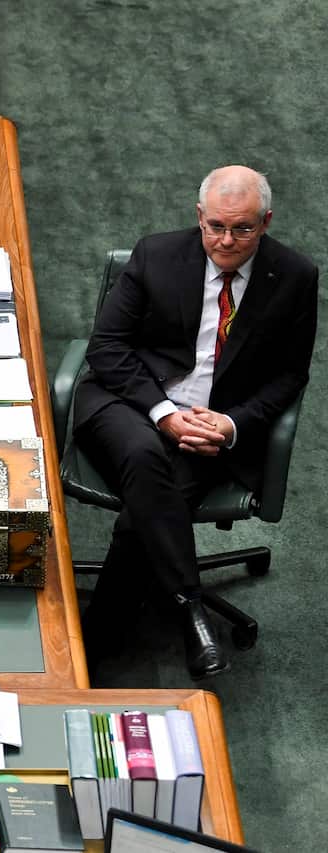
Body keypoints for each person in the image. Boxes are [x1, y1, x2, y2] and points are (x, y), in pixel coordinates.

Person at [73, 165, 318, 680]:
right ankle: (190, 611)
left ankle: (97, 640)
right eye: (216, 227)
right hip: (132, 404)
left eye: (243, 229)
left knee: (144, 512)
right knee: (143, 455)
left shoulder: (294, 277)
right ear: (199, 217)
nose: (226, 241)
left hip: (210, 429)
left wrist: (229, 425)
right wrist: (164, 414)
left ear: (266, 222)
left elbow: (289, 376)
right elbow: (108, 348)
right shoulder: (157, 254)